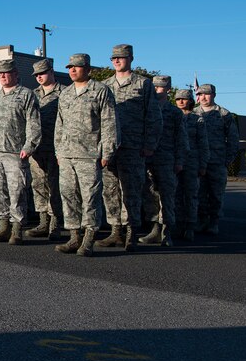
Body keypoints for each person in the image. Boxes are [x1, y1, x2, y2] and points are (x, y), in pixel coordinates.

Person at [97, 44, 162, 251]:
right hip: (109, 147)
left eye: (121, 58)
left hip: (133, 146)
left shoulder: (143, 84)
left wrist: (149, 144)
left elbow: (153, 116)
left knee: (132, 191)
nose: (117, 61)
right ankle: (115, 231)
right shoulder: (104, 85)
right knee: (110, 190)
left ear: (130, 58)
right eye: (114, 58)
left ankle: (131, 232)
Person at [53, 54, 117, 256]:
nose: (72, 70)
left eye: (77, 67)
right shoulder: (66, 93)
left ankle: (89, 237)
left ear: (87, 69)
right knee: (69, 195)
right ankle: (74, 237)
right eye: (70, 67)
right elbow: (59, 124)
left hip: (90, 154)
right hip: (67, 154)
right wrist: (58, 150)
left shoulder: (100, 90)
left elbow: (109, 123)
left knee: (90, 198)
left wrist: (107, 151)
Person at [0, 58, 41, 244]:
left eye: (6, 72)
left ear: (15, 74)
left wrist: (30, 145)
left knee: (17, 191)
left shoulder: (26, 95)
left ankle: (17, 228)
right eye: (0, 73)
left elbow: (34, 123)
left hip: (15, 152)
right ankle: (3, 225)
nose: (3, 76)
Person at [139, 76, 189, 247]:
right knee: (150, 195)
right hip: (147, 157)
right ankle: (154, 229)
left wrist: (179, 160)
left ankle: (167, 231)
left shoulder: (174, 112)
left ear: (168, 89)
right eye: (154, 86)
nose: (155, 90)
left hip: (167, 159)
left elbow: (182, 138)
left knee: (167, 197)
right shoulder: (145, 108)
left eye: (160, 87)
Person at [26, 58, 65, 240]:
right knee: (39, 184)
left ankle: (55, 223)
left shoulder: (64, 92)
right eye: (36, 75)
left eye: (42, 73)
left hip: (56, 147)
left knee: (55, 186)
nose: (39, 78)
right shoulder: (33, 95)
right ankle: (43, 221)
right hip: (37, 147)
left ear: (51, 71)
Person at [194, 83, 240, 235]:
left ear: (213, 95)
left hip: (217, 161)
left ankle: (214, 222)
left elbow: (233, 139)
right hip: (198, 161)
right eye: (200, 94)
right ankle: (202, 220)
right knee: (199, 193)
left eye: (206, 94)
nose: (203, 97)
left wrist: (227, 160)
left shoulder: (223, 114)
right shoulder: (193, 113)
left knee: (216, 193)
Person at [174, 89, 208, 240]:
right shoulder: (171, 115)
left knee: (191, 195)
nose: (181, 101)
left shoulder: (197, 119)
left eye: (184, 99)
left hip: (191, 162)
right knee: (175, 194)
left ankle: (190, 226)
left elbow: (203, 144)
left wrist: (203, 165)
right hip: (174, 160)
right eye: (178, 99)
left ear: (191, 101)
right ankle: (178, 224)